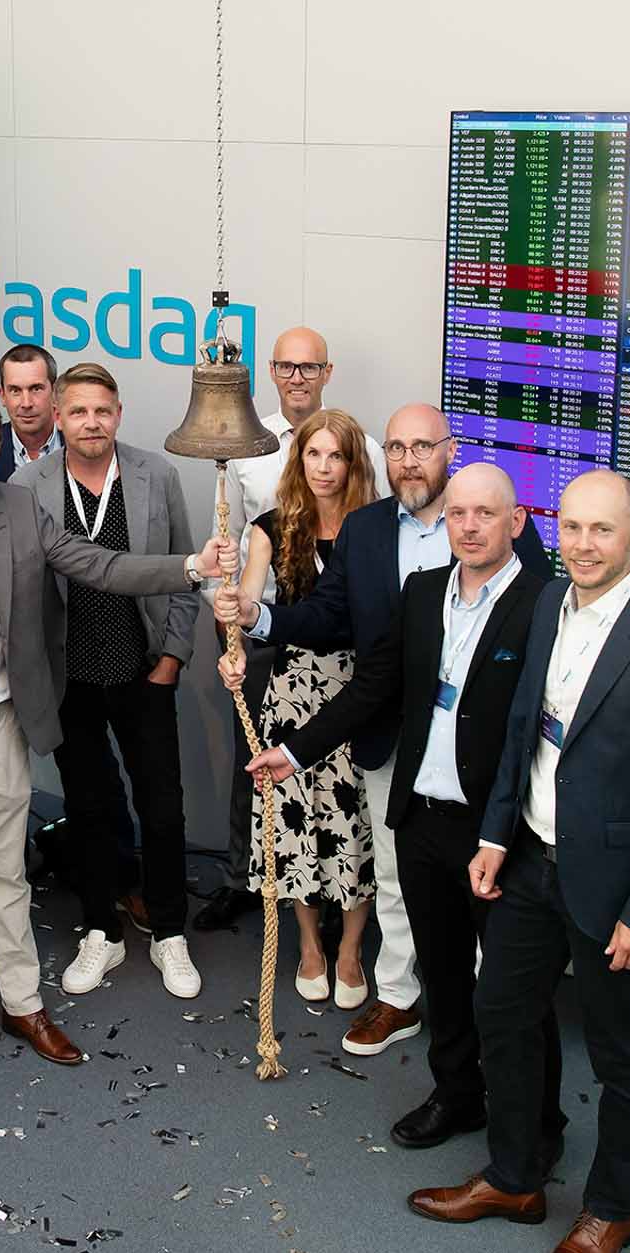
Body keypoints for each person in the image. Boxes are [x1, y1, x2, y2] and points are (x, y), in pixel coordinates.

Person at [0, 389, 237, 1079]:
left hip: (1, 724)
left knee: (6, 878)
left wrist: (189, 566)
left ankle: (23, 1003)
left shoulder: (21, 509)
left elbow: (100, 566)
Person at [409, 469, 630, 1253]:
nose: (583, 545)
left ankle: (611, 1210)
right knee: (500, 1012)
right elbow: (525, 730)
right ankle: (516, 1178)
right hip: (531, 863)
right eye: (573, 528)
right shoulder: (551, 601)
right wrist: (494, 835)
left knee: (622, 1057)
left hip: (619, 892)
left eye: (602, 530)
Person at [226, 462, 560, 1153]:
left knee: (513, 989)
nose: (469, 527)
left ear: (517, 523)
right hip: (422, 816)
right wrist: (293, 752)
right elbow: (372, 686)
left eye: (486, 514)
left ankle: (539, 1125)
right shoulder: (424, 592)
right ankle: (457, 1096)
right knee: (442, 972)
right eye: (458, 514)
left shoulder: (546, 606)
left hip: (497, 830)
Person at [11, 362, 204, 1000]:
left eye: (102, 410)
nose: (91, 422)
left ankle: (169, 932)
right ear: (58, 417)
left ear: (118, 414)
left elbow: (183, 570)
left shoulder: (156, 475)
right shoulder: (26, 486)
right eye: (78, 411)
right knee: (89, 807)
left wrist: (172, 656)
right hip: (70, 677)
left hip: (143, 669)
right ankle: (102, 929)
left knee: (162, 805)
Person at [198, 326, 386, 930]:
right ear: (271, 371)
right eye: (286, 366)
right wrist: (233, 630)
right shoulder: (251, 455)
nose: (297, 377)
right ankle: (253, 886)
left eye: (309, 367)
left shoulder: (370, 480)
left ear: (327, 373)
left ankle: (345, 918)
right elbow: (239, 561)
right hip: (279, 651)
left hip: (356, 667)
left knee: (351, 794)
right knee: (267, 776)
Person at [222, 409, 379, 1007]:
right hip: (293, 691)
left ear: (353, 464)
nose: (323, 467)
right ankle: (311, 946)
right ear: (298, 460)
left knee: (353, 823)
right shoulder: (271, 529)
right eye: (313, 454)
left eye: (336, 455)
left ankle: (350, 950)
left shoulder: (376, 529)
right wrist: (233, 644)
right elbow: (247, 608)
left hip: (360, 689)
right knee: (293, 823)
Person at [0, 342, 62, 479]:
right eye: (15, 390)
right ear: (3, 396)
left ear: (55, 392)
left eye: (36, 389)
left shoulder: (80, 443)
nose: (26, 403)